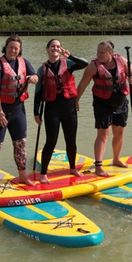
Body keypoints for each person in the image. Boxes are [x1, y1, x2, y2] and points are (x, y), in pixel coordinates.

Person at [0, 35, 39, 192]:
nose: (13, 50)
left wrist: (32, 78)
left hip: (17, 109)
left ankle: (22, 176)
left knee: (20, 143)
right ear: (6, 47)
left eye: (16, 48)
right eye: (10, 47)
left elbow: (35, 76)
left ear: (19, 49)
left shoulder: (24, 62)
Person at [76, 40, 132, 177]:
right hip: (102, 103)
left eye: (102, 52)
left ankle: (116, 159)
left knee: (119, 132)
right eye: (98, 52)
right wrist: (76, 101)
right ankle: (98, 165)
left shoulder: (121, 60)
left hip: (120, 102)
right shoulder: (93, 66)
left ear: (111, 53)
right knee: (103, 134)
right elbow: (82, 85)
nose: (99, 55)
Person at [33, 39, 89, 184]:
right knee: (51, 141)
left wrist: (70, 55)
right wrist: (36, 113)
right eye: (53, 46)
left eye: (58, 46)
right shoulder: (42, 69)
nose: (55, 48)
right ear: (47, 49)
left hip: (69, 108)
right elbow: (38, 92)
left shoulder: (68, 64)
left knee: (71, 140)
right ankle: (43, 173)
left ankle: (72, 168)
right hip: (52, 110)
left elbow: (85, 64)